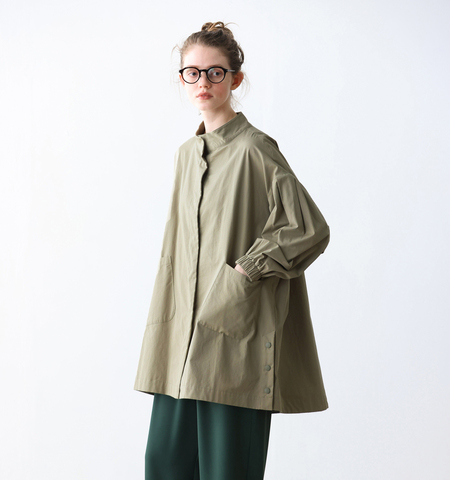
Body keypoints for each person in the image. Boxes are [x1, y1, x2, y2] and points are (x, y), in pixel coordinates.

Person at [134, 21, 331, 480]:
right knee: (163, 465)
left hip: (233, 334)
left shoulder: (255, 149)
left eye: (215, 72)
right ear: (182, 78)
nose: (203, 82)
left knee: (226, 471)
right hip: (178, 338)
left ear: (235, 79)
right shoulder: (187, 154)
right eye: (192, 73)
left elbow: (308, 228)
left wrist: (246, 271)